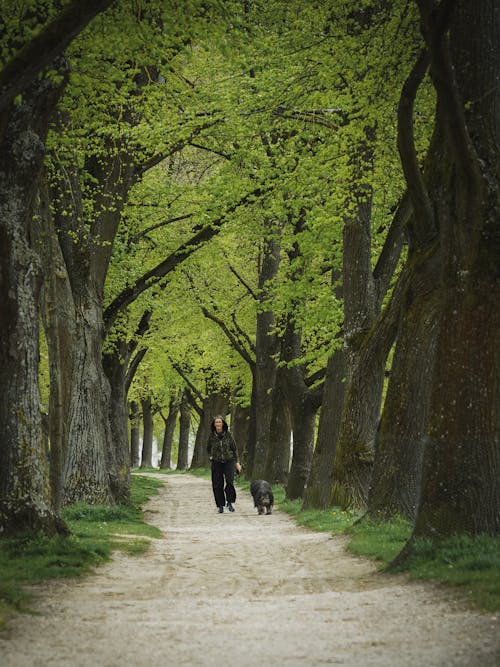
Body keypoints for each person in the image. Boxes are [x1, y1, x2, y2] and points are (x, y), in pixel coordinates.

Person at [207, 414, 242, 513]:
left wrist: (237, 463)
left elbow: (234, 449)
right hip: (216, 462)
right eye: (216, 422)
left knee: (230, 482)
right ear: (214, 424)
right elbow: (208, 448)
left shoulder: (228, 435)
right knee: (217, 484)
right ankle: (220, 505)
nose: (218, 424)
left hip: (229, 461)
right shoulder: (211, 436)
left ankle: (230, 502)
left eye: (220, 422)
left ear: (223, 424)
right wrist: (210, 456)